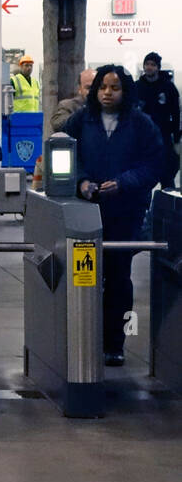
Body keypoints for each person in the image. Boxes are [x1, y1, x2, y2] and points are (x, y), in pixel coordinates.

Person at [63, 65, 165, 367]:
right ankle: (85, 337)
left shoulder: (141, 124)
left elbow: (154, 164)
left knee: (119, 277)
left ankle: (115, 343)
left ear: (125, 91)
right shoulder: (82, 120)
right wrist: (80, 181)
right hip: (87, 211)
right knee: (86, 276)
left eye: (114, 87)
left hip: (126, 212)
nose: (107, 93)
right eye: (102, 87)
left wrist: (124, 183)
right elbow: (64, 153)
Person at [137, 52, 180, 188]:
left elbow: (176, 113)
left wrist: (177, 137)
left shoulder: (168, 87)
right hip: (142, 139)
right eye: (147, 64)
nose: (149, 67)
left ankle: (169, 206)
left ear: (158, 67)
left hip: (164, 138)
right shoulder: (136, 87)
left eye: (152, 65)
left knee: (167, 177)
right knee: (142, 178)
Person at [52, 68, 95, 132]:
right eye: (88, 88)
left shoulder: (107, 107)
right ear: (80, 89)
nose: (93, 91)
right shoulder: (68, 106)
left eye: (97, 87)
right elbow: (58, 125)